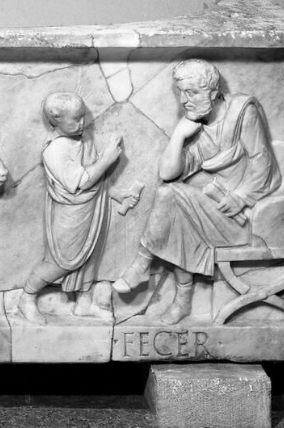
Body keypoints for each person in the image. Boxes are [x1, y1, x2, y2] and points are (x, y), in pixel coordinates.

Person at [114, 59, 281, 324]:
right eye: (180, 92)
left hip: (245, 219)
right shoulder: (198, 125)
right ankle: (179, 300)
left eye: (191, 92)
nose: (184, 100)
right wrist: (179, 135)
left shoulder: (241, 112)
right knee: (175, 205)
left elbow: (265, 167)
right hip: (216, 210)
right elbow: (168, 173)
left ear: (213, 93)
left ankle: (144, 264)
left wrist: (241, 197)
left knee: (170, 196)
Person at [16, 92, 139, 325]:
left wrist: (116, 193)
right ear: (56, 120)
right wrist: (107, 159)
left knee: (90, 257)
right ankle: (27, 297)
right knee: (62, 261)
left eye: (83, 117)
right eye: (75, 119)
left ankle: (84, 303)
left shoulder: (84, 139)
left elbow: (95, 178)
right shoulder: (55, 150)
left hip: (92, 207)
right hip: (70, 214)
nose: (82, 123)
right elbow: (80, 182)